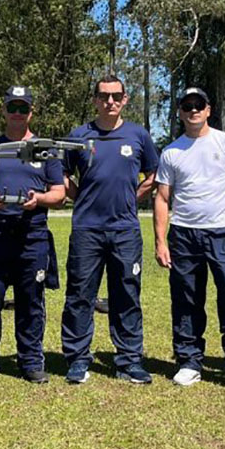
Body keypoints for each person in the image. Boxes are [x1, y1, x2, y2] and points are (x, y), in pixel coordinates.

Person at [153, 87, 225, 395]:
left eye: (198, 104)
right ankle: (189, 362)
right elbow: (162, 198)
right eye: (187, 105)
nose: (193, 110)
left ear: (208, 109)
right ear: (180, 111)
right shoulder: (171, 151)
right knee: (186, 299)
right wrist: (160, 241)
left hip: (222, 233)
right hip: (184, 235)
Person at [0, 86, 66, 387]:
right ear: (4, 111)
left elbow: (59, 193)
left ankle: (31, 362)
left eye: (23, 108)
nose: (17, 113)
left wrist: (39, 199)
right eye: (13, 107)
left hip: (33, 234)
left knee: (31, 301)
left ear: (31, 112)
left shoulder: (46, 149)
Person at [61, 75, 159, 384]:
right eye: (104, 96)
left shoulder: (138, 135)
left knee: (127, 294)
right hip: (86, 229)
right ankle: (77, 359)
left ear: (125, 99)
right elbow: (61, 174)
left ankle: (129, 361)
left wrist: (132, 196)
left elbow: (153, 175)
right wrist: (81, 197)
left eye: (116, 96)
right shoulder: (79, 136)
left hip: (125, 230)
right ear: (95, 100)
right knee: (80, 294)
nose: (110, 101)